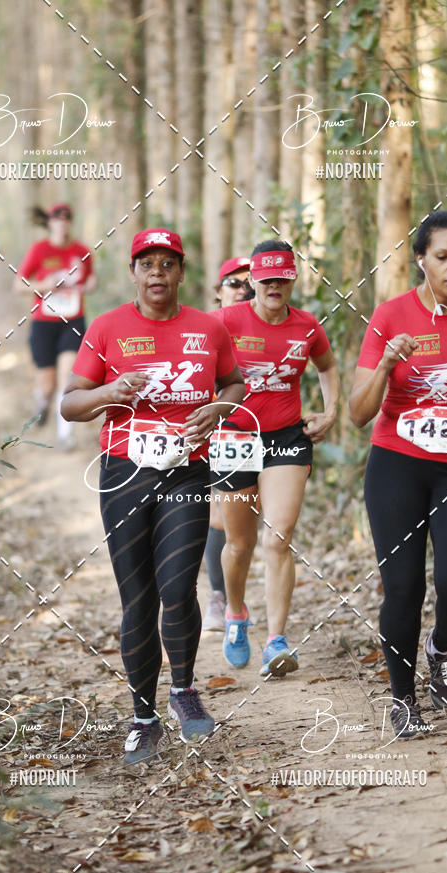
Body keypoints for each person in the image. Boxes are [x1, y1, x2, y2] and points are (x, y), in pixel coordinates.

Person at [60, 228, 245, 764]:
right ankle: (144, 718)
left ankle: (184, 692)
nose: (158, 273)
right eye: (148, 264)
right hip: (124, 472)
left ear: (182, 273)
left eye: (168, 264)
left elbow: (233, 383)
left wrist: (219, 409)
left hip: (185, 471)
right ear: (134, 272)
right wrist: (106, 394)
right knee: (137, 596)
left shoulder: (208, 328)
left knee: (178, 582)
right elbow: (70, 404)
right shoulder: (108, 327)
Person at [349, 210, 447, 740]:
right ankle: (403, 698)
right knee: (403, 586)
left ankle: (440, 645)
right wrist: (386, 365)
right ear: (420, 261)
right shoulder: (390, 316)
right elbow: (357, 413)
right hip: (398, 467)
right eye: (442, 258)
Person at [212, 240, 339, 676]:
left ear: (292, 280)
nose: (273, 286)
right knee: (239, 544)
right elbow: (193, 358)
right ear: (254, 281)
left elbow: (326, 366)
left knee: (278, 535)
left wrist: (331, 411)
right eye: (265, 279)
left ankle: (277, 640)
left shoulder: (306, 326)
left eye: (282, 278)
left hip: (286, 436)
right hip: (235, 437)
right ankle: (235, 612)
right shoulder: (226, 320)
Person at [15, 203, 97, 450]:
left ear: (70, 223)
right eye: (57, 218)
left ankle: (65, 435)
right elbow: (18, 284)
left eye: (67, 218)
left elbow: (91, 277)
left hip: (73, 320)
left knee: (67, 375)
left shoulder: (81, 251)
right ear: (50, 222)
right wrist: (42, 285)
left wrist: (89, 285)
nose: (62, 223)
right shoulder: (39, 250)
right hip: (44, 322)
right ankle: (43, 402)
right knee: (48, 384)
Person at [202, 255, 251, 631]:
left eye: (250, 282)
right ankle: (220, 598)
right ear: (218, 292)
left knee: (248, 525)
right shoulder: (206, 328)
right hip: (220, 428)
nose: (243, 289)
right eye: (234, 283)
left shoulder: (266, 319)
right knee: (219, 513)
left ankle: (233, 595)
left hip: (269, 433)